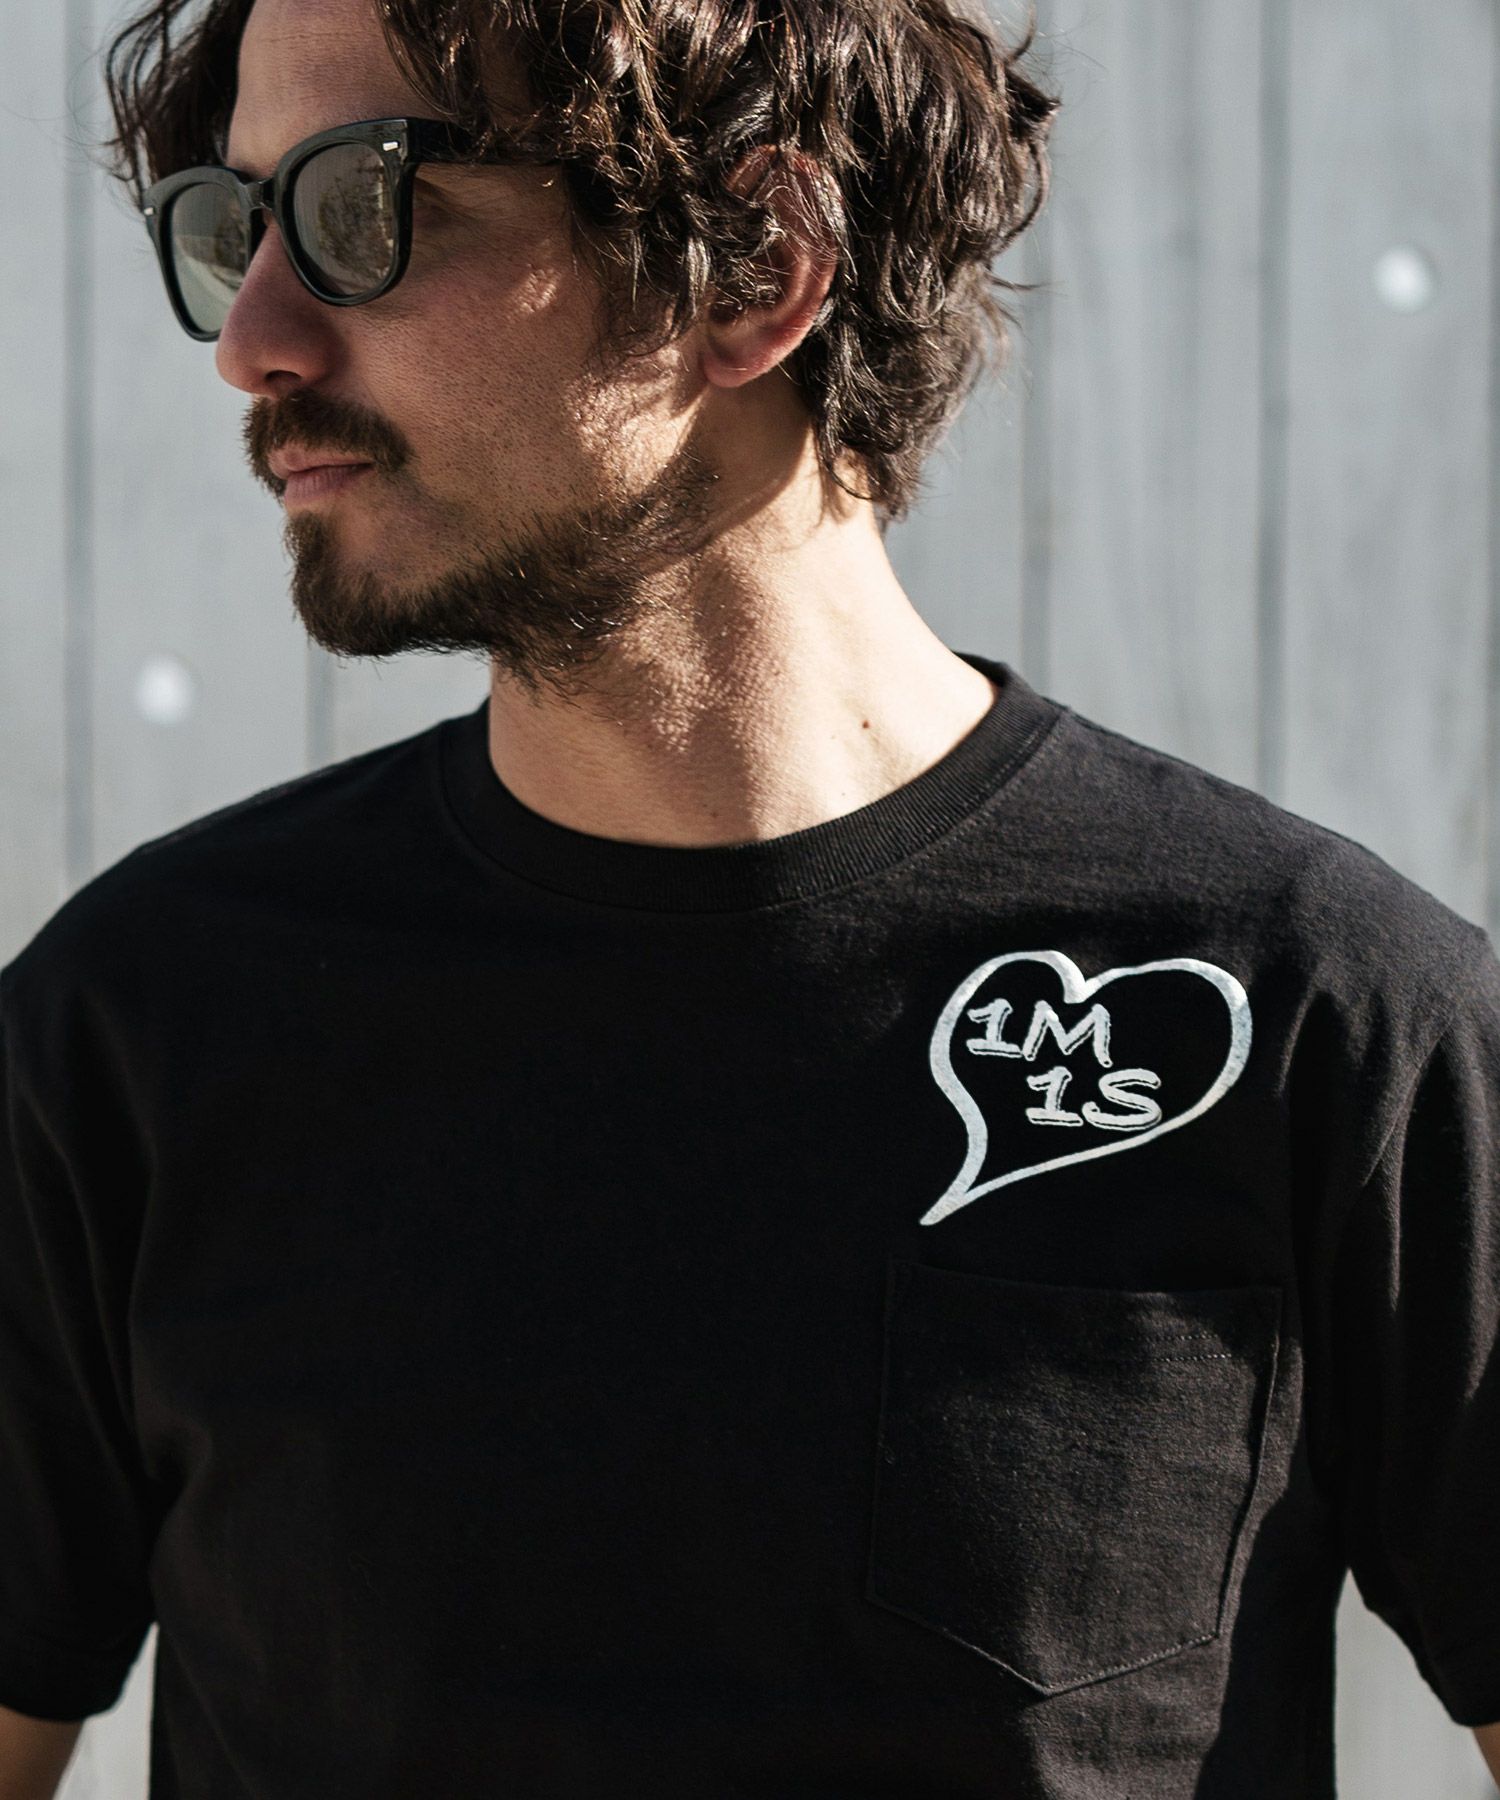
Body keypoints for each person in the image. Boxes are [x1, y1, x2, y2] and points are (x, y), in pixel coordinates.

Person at [1, 0, 1496, 1793]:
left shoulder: (1320, 1014)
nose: (254, 340)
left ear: (757, 267)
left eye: (358, 207)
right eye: (232, 228)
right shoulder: (138, 1030)